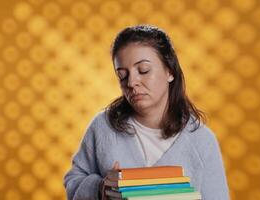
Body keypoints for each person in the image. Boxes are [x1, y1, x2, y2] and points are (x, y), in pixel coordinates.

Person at [64, 24, 229, 200]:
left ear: (170, 71)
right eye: (122, 75)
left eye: (143, 70)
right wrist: (99, 189)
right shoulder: (103, 127)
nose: (131, 82)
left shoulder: (202, 141)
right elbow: (73, 180)